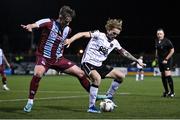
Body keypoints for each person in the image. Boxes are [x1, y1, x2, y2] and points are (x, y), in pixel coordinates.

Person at [65, 18, 146, 113]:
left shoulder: (115, 42)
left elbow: (124, 52)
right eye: (114, 33)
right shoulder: (98, 34)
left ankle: (109, 96)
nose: (115, 36)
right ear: (108, 30)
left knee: (121, 76)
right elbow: (82, 34)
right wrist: (70, 40)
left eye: (117, 34)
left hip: (99, 65)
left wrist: (137, 60)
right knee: (97, 79)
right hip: (88, 63)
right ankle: (91, 107)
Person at [21, 5, 91, 113]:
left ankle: (94, 94)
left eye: (69, 22)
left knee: (81, 73)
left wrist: (66, 45)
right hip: (44, 56)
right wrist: (29, 26)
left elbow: (60, 44)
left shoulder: (68, 29)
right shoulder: (49, 22)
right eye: (66, 21)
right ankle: (30, 101)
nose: (67, 24)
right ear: (60, 16)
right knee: (38, 74)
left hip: (58, 59)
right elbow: (35, 24)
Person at [155, 28, 175, 98]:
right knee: (163, 76)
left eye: (160, 34)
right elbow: (157, 49)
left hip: (167, 60)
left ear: (163, 34)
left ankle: (172, 92)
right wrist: (156, 58)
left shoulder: (167, 41)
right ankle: (166, 92)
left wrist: (166, 59)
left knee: (168, 75)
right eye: (158, 34)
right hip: (160, 60)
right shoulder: (156, 40)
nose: (159, 35)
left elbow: (172, 50)